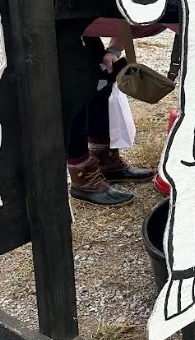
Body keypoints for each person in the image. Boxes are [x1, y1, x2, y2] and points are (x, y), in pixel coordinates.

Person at [66, 23, 157, 206]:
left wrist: (115, 49)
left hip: (85, 27)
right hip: (58, 24)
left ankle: (105, 160)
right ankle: (83, 177)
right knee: (73, 91)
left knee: (101, 78)